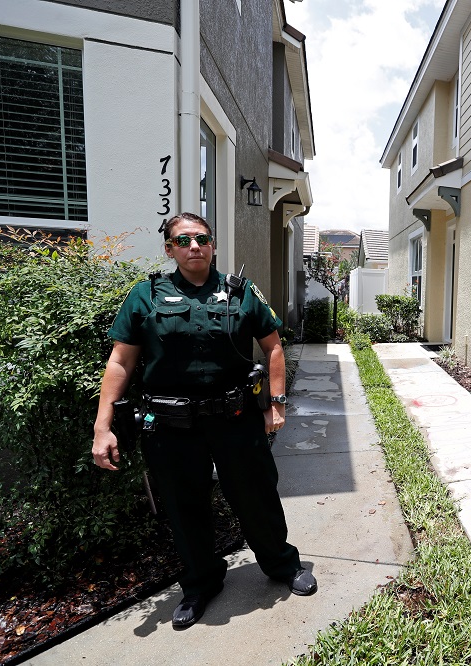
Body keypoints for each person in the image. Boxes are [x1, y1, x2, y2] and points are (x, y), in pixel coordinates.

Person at [91, 212, 316, 630]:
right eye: (183, 241)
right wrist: (102, 425)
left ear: (212, 245)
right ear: (169, 249)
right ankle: (200, 583)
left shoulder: (240, 292)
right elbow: (121, 360)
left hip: (234, 418)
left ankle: (282, 566)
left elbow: (273, 348)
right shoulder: (145, 296)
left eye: (202, 239)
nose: (194, 247)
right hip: (170, 426)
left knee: (256, 495)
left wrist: (277, 403)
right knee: (183, 506)